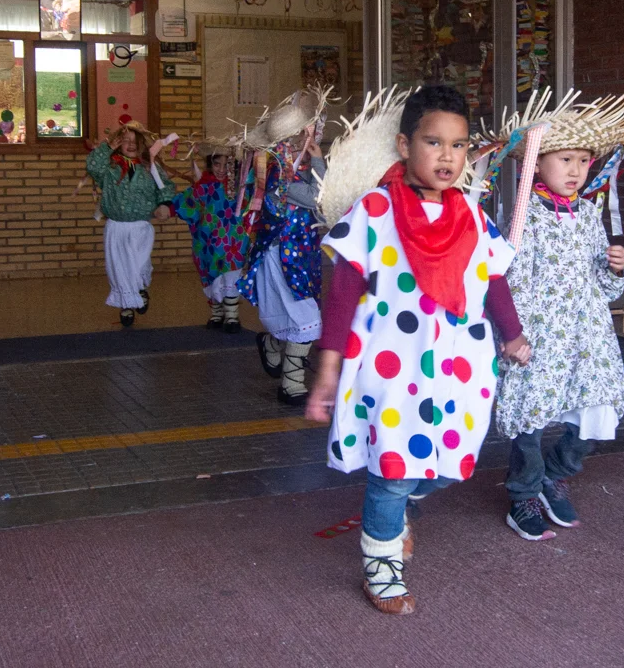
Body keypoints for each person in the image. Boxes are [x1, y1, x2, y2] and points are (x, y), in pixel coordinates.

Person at [305, 84, 531, 614]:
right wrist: (327, 370)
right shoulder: (374, 211)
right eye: (434, 142)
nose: (447, 156)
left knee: (451, 463)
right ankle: (381, 564)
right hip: (391, 367)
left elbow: (493, 279)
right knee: (393, 469)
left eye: (458, 145)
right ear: (405, 146)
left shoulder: (471, 214)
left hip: (459, 366)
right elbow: (341, 297)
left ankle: (401, 509)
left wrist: (513, 333)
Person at [491, 94, 624, 539]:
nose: (576, 170)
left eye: (584, 161)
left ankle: (555, 473)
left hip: (587, 334)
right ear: (538, 163)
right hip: (538, 334)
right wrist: (513, 334)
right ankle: (524, 493)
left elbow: (603, 287)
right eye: (565, 159)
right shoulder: (524, 219)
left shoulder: (588, 214)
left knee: (599, 405)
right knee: (529, 417)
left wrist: (615, 268)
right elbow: (510, 280)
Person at [236, 89, 330, 403]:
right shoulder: (277, 170)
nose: (309, 135)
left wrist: (315, 163)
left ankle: (273, 345)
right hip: (283, 255)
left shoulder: (298, 166)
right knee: (306, 317)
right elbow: (319, 198)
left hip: (302, 253)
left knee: (297, 315)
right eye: (305, 132)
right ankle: (291, 384)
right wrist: (319, 161)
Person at [86, 123, 180, 326]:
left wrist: (164, 204)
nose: (130, 145)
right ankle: (126, 306)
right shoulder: (109, 169)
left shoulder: (150, 167)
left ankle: (139, 290)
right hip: (116, 227)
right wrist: (106, 148)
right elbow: (92, 166)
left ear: (143, 144)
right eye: (125, 140)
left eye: (135, 141)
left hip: (140, 227)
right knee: (120, 268)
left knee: (138, 265)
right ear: (118, 143)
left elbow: (165, 187)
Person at [169, 143, 251, 331]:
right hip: (208, 242)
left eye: (227, 165)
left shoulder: (241, 187)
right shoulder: (203, 186)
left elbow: (251, 207)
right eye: (216, 164)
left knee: (231, 274)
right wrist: (169, 208)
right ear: (209, 164)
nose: (221, 169)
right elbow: (187, 201)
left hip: (233, 242)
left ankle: (232, 316)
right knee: (210, 274)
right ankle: (216, 312)